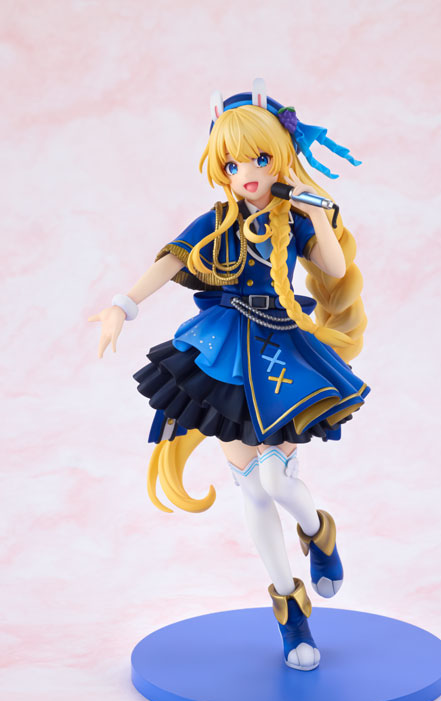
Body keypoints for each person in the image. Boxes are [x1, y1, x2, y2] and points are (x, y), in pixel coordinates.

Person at [89, 79, 370, 671]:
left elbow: (333, 266)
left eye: (261, 159)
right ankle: (290, 613)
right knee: (253, 490)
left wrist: (317, 217)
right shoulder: (216, 221)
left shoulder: (292, 217)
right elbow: (169, 261)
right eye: (234, 163)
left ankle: (318, 530)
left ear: (281, 158)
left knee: (278, 483)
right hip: (225, 351)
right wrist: (122, 305)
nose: (247, 173)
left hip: (283, 349)